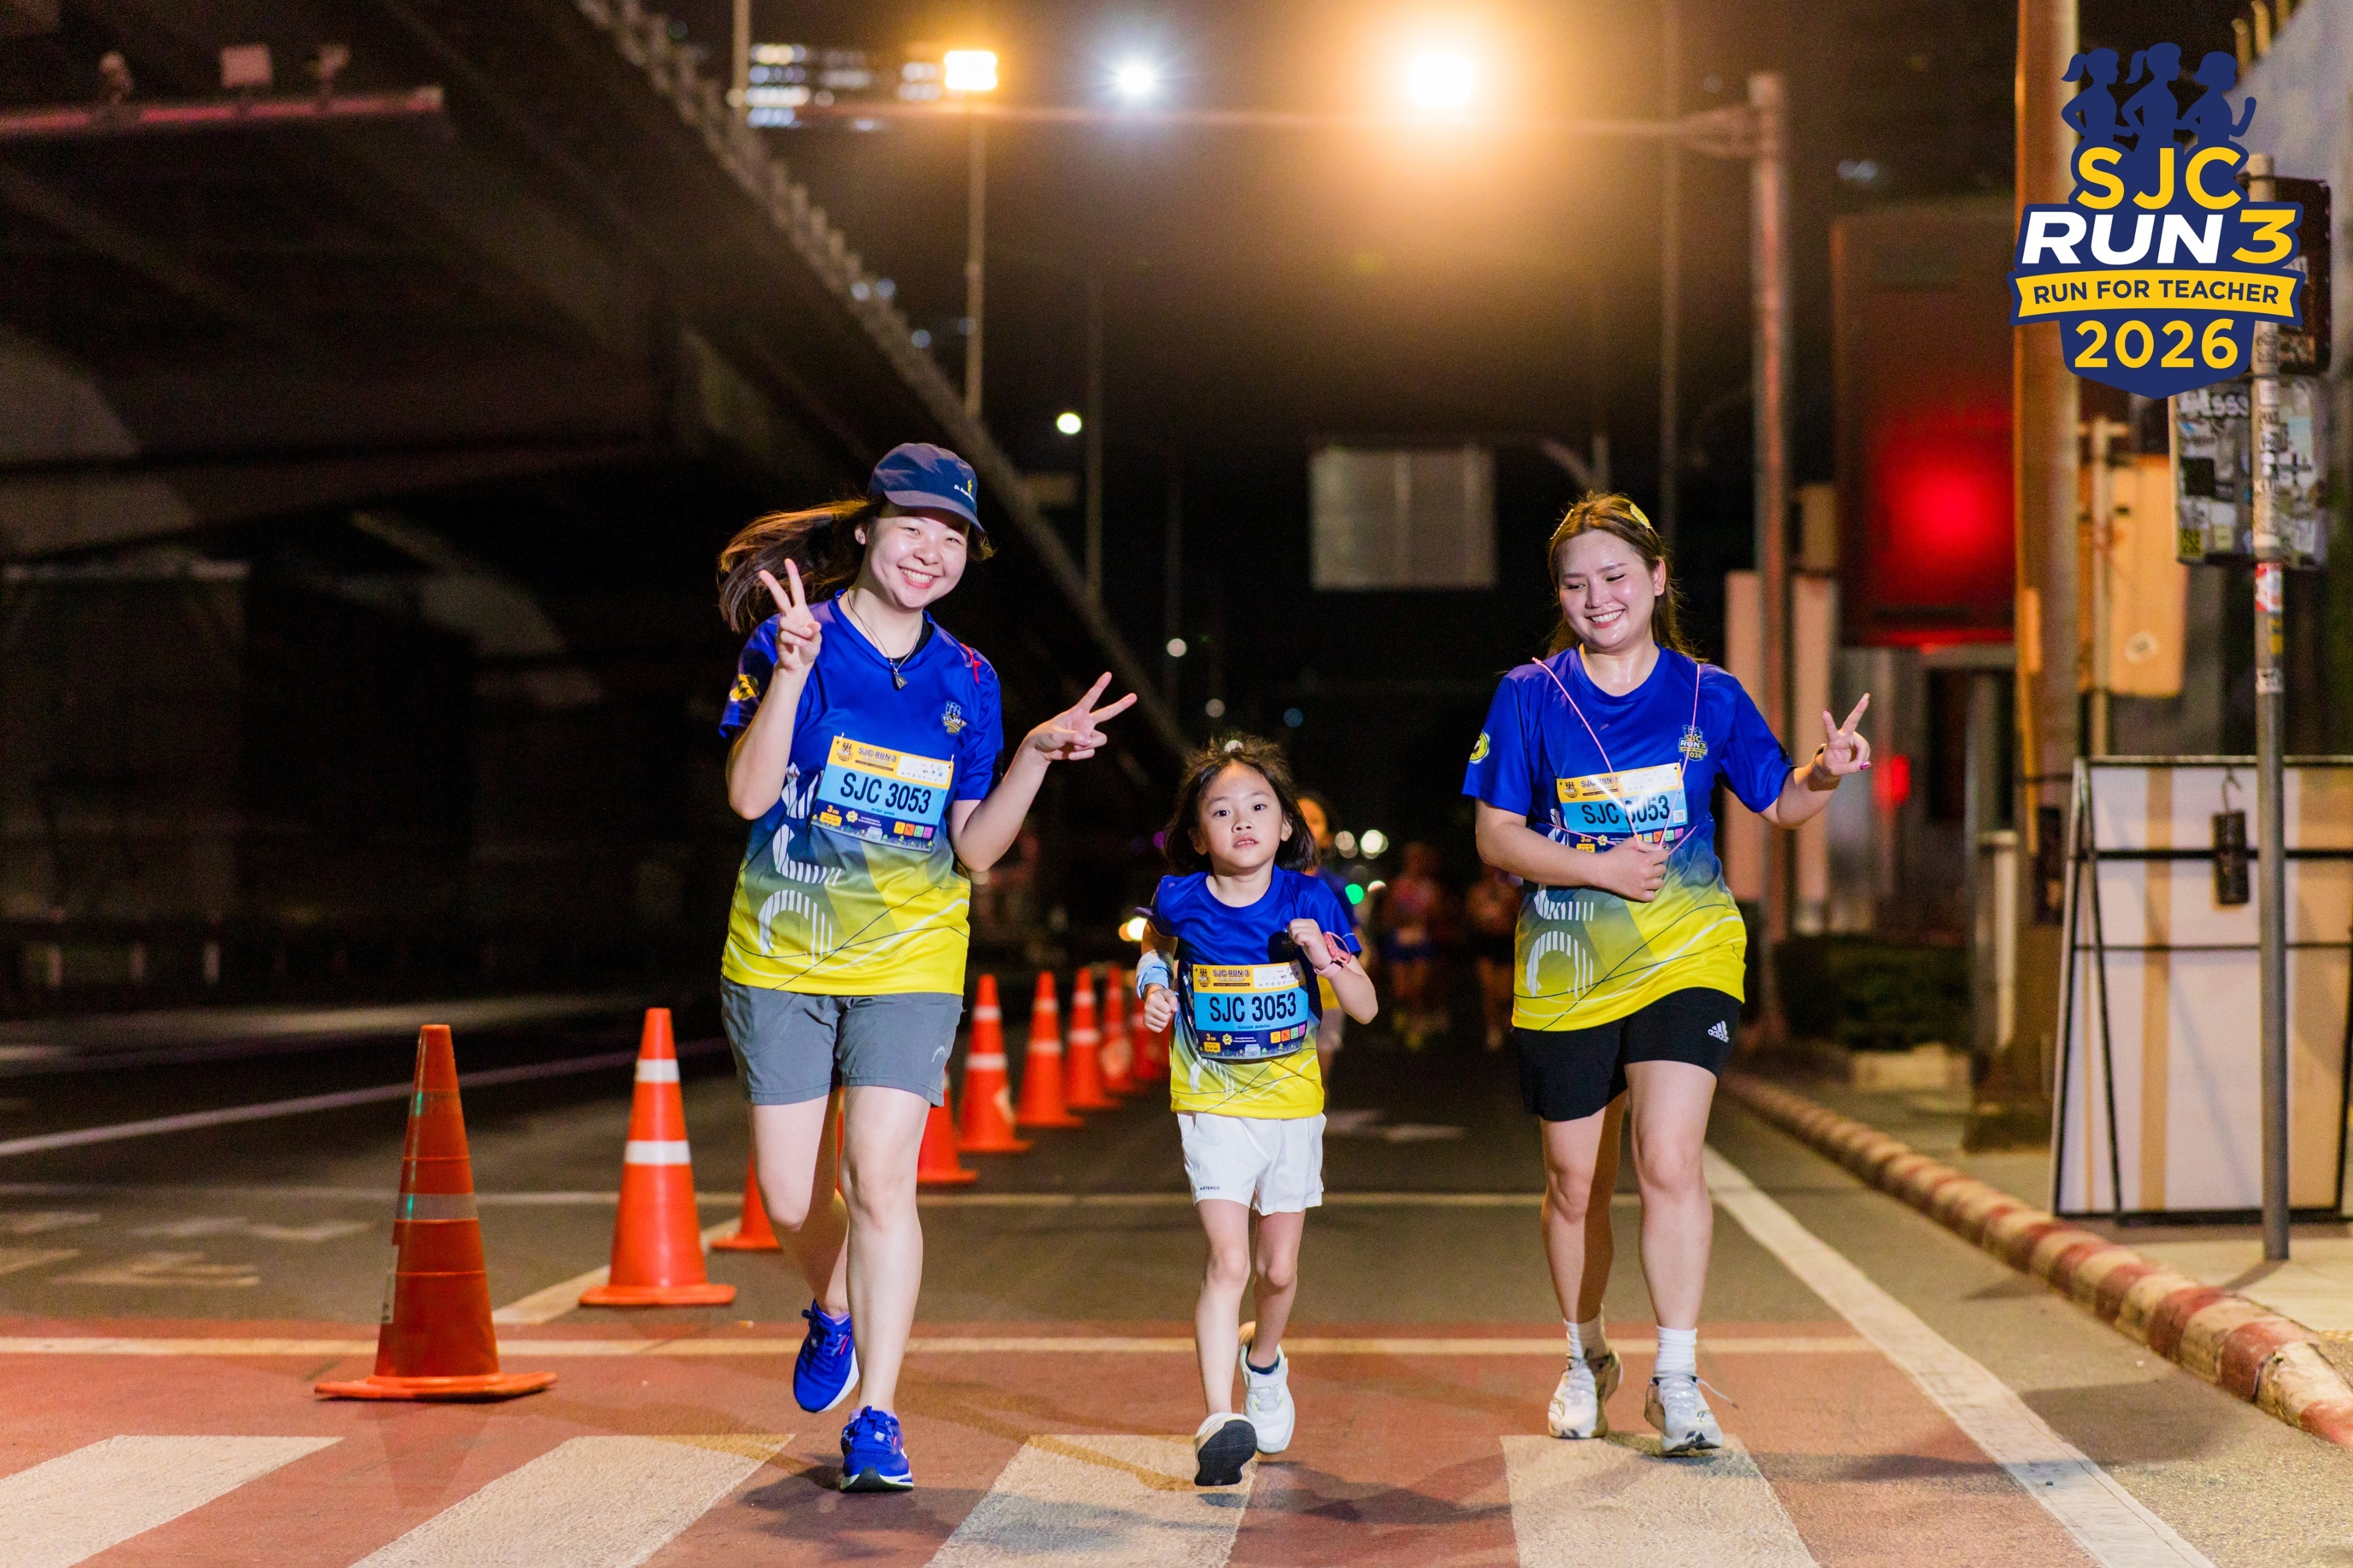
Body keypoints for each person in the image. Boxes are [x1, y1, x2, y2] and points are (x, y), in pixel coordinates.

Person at [715, 442, 1135, 1493]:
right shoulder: (791, 637)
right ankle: (835, 1307)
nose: (930, 552)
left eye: (951, 538)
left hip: (912, 955)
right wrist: (792, 675)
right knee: (788, 1194)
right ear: (867, 530)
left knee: (880, 1176)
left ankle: (880, 1415)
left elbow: (977, 848)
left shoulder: (970, 678)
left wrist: (1033, 756)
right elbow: (749, 797)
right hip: (783, 948)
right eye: (912, 527)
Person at [1464, 492, 1870, 1453]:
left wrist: (1826, 772)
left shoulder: (1708, 695)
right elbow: (1497, 835)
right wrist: (1599, 868)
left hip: (1687, 950)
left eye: (1616, 576)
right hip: (1568, 962)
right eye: (1576, 584)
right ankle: (1585, 1357)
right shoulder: (1529, 694)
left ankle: (1677, 1377)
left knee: (1670, 1158)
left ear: (1655, 578)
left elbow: (1778, 800)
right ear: (1560, 597)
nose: (1597, 597)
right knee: (1575, 1181)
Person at [1138, 738, 1376, 1487]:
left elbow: (1365, 1007)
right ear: (1196, 832)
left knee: (1277, 1269)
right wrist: (1152, 985)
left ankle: (1264, 1360)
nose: (1241, 821)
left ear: (1285, 826)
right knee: (1230, 1261)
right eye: (1221, 811)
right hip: (1210, 1100)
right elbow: (1153, 944)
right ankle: (1219, 1418)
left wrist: (1327, 959)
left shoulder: (1311, 899)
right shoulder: (1179, 896)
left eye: (1257, 806)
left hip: (1292, 1105)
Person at [1296, 792, 1362, 1077]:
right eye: (1297, 817)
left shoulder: (1334, 887)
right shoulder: (1262, 882)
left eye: (1314, 821)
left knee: (1318, 1075)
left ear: (1327, 838)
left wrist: (1355, 980)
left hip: (1326, 990)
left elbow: (1353, 937)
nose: (1304, 826)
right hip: (1280, 988)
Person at [1380, 843, 1445, 1047]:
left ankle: (1415, 1028)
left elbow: (1436, 915)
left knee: (1418, 988)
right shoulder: (1397, 885)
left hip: (1421, 942)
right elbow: (1387, 915)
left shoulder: (1430, 887)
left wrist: (1425, 916)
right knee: (1401, 989)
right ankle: (1402, 1019)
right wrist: (1403, 918)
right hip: (1399, 941)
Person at [1465, 863, 1519, 1051]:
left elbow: (1518, 914)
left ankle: (1506, 1020)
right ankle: (1493, 1029)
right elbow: (1471, 915)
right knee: (1488, 988)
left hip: (1504, 943)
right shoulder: (1477, 891)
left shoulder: (1509, 891)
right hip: (1485, 943)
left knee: (1504, 992)